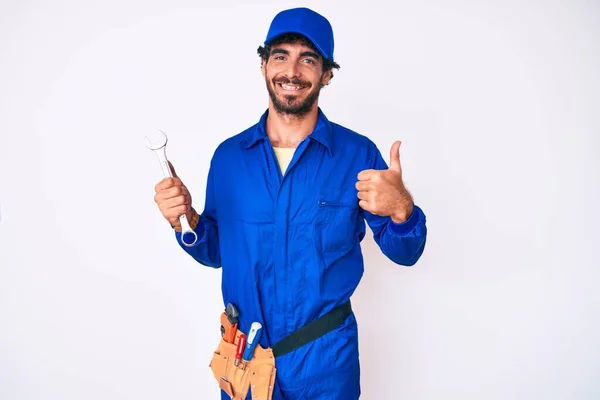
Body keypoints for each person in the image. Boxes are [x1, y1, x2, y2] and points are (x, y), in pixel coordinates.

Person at [153, 7, 427, 400]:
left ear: (327, 74)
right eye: (281, 55)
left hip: (325, 362)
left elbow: (407, 253)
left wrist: (402, 208)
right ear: (264, 64)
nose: (292, 71)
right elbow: (215, 252)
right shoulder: (230, 158)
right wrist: (183, 218)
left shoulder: (357, 155)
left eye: (308, 59)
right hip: (245, 359)